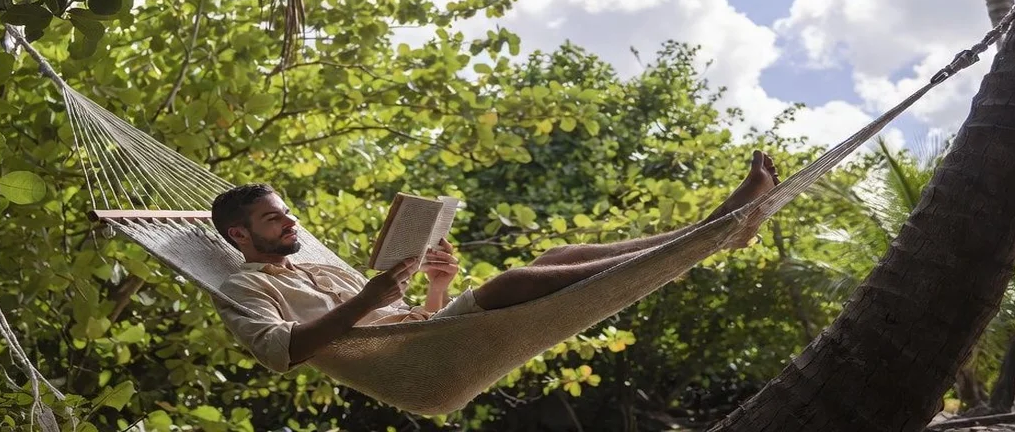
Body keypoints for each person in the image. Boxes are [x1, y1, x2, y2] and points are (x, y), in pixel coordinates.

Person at [214, 151, 780, 373]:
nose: (292, 224)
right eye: (274, 220)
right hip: (411, 358)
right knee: (517, 280)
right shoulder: (241, 287)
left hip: (424, 333)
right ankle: (718, 231)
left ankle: (713, 231)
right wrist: (367, 298)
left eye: (288, 214)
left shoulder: (322, 266)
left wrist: (437, 284)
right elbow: (280, 351)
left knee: (561, 254)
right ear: (241, 234)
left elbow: (405, 316)